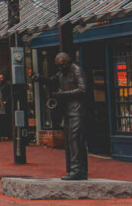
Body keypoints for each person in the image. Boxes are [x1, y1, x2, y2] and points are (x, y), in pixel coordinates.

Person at [54, 51, 87, 180]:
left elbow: (83, 89)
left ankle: (77, 170)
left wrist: (64, 94)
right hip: (68, 111)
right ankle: (77, 169)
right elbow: (53, 79)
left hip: (77, 111)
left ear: (68, 62)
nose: (60, 68)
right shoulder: (63, 73)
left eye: (62, 65)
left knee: (75, 139)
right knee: (71, 140)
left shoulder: (76, 70)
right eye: (58, 66)